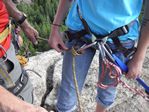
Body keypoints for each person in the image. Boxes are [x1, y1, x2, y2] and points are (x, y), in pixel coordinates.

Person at [49, 0, 149, 112]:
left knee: (107, 92)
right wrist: (55, 28)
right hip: (81, 29)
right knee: (67, 94)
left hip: (119, 39)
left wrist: (139, 58)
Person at [0, 0, 48, 112]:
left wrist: (23, 22)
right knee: (22, 93)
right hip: (3, 59)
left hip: (6, 48)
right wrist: (20, 106)